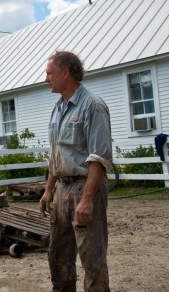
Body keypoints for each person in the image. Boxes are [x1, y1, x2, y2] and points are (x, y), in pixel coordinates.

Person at [39, 51, 112, 292]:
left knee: (92, 258)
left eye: (49, 73)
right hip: (61, 191)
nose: (46, 78)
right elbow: (56, 153)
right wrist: (49, 191)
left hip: (84, 189)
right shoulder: (57, 109)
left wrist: (88, 199)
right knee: (59, 254)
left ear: (65, 72)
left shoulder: (93, 106)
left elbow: (99, 158)